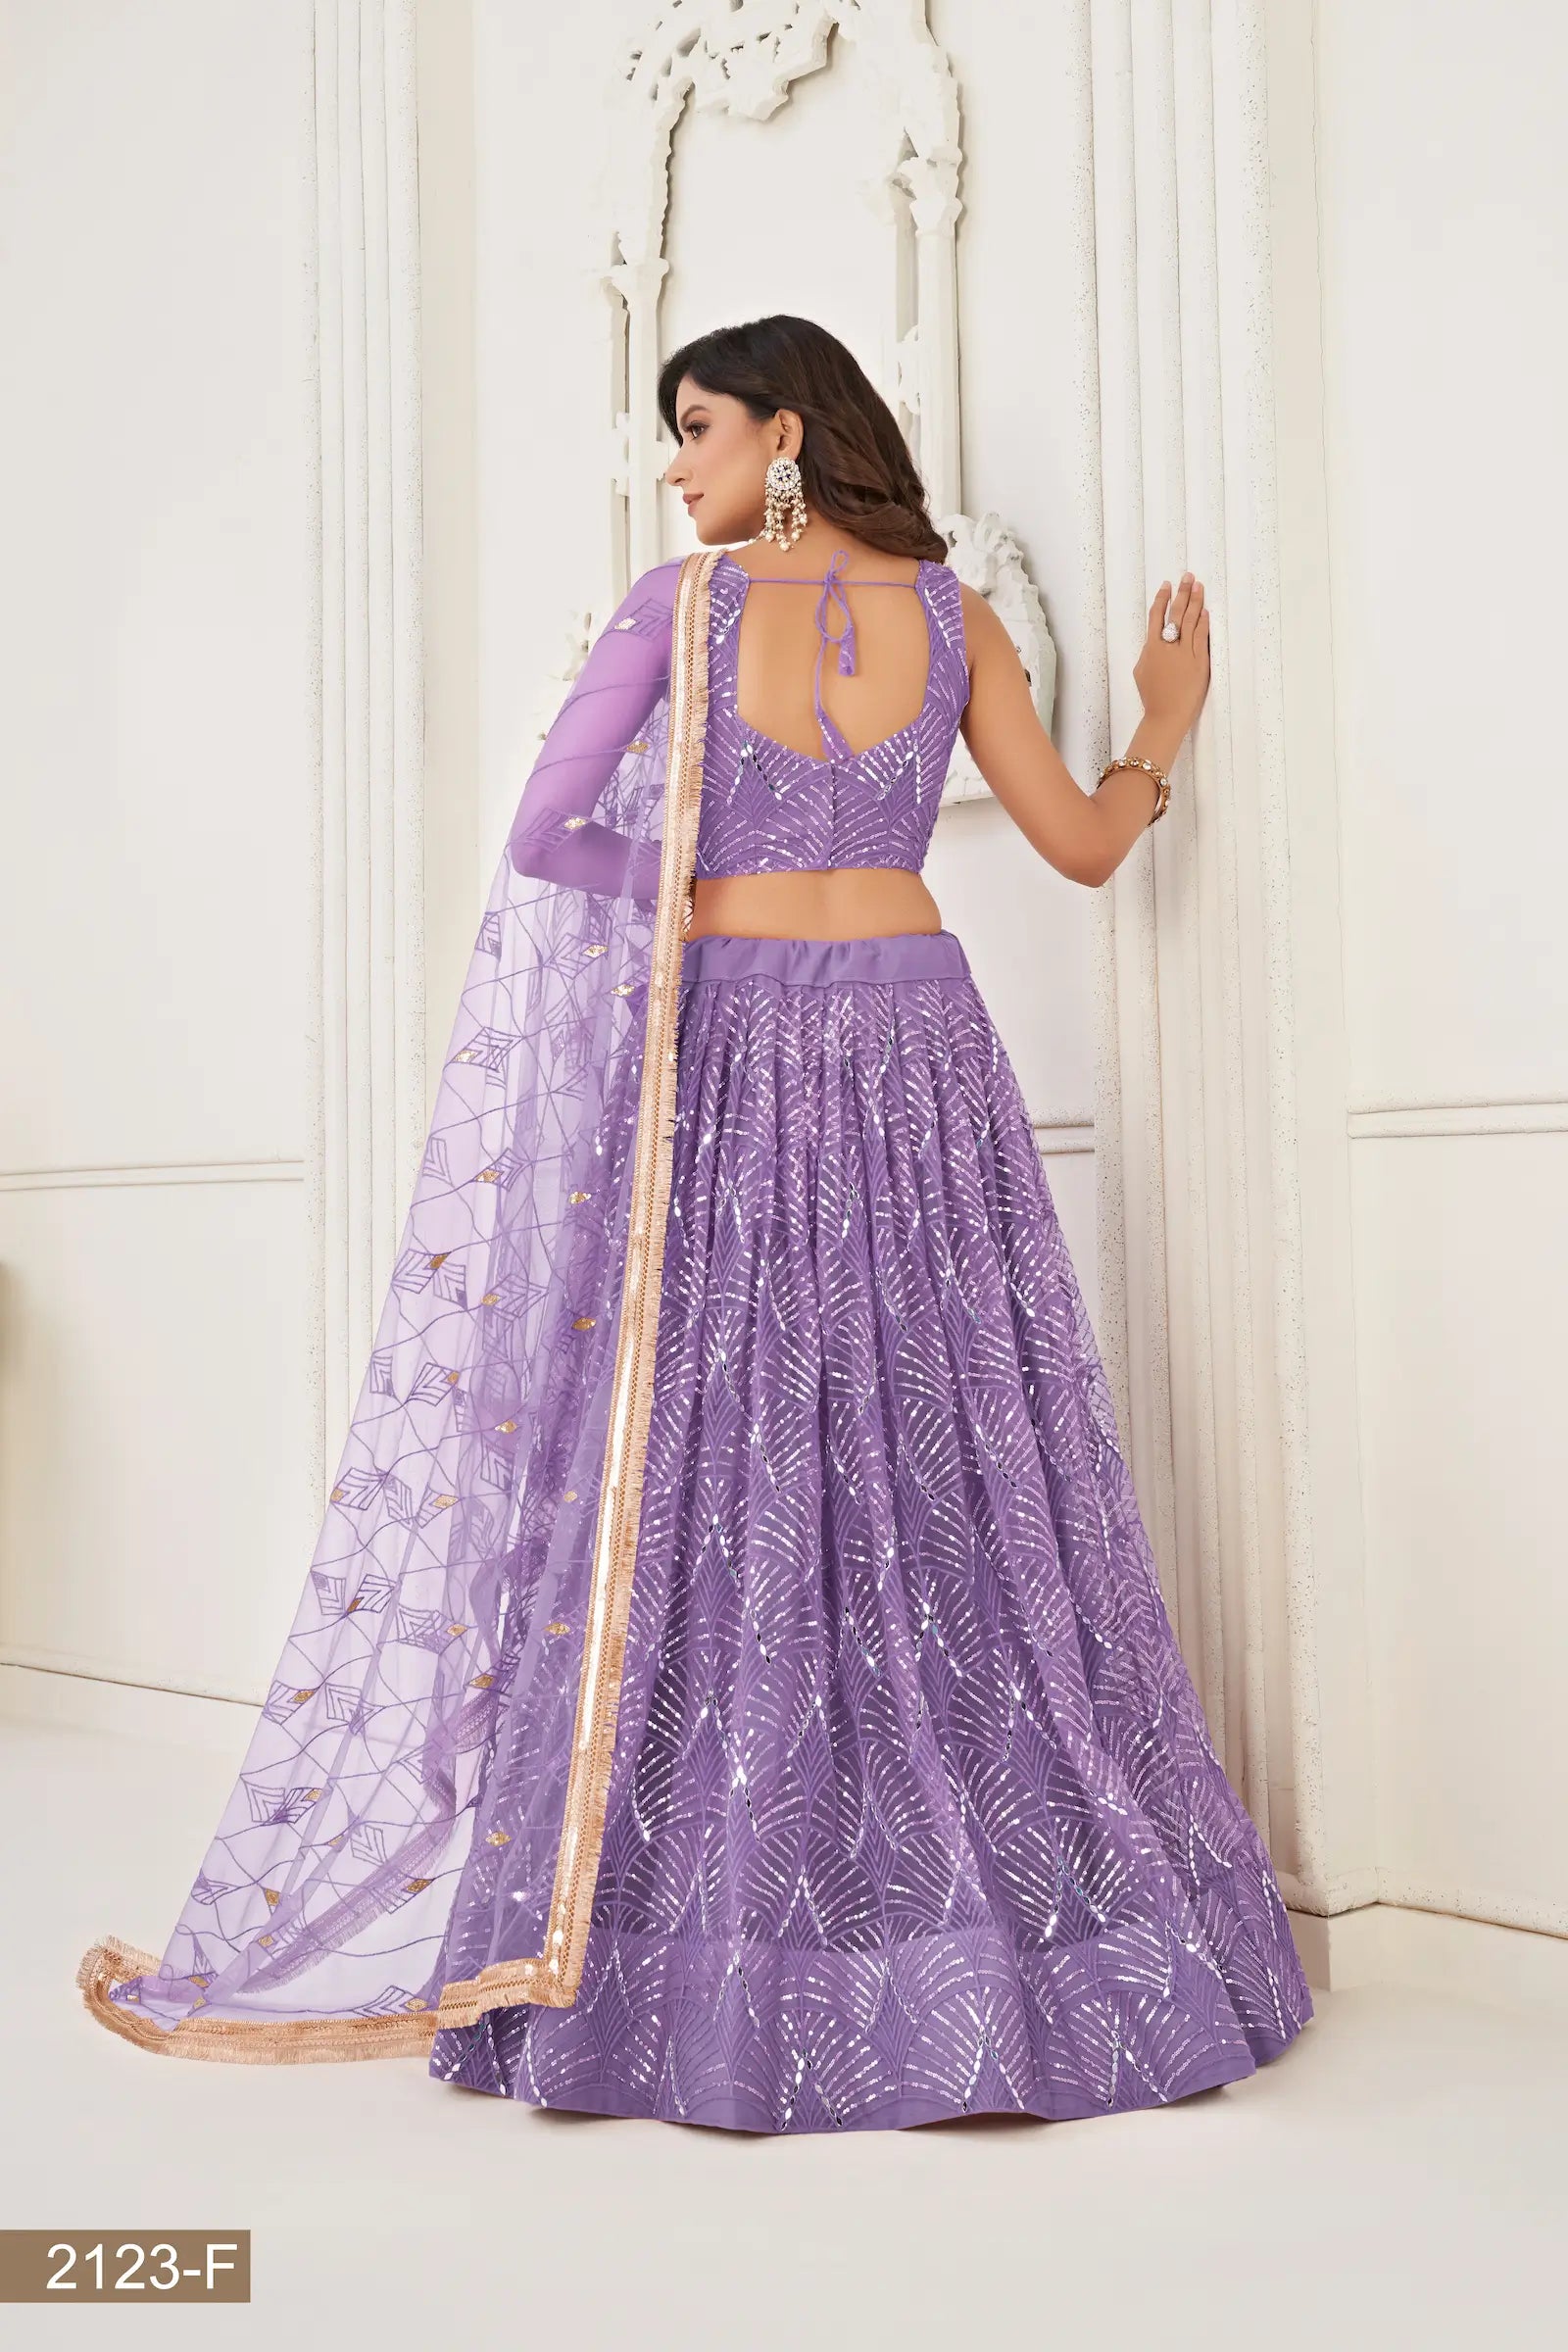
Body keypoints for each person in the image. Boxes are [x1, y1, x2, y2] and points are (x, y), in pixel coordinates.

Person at [76, 313, 1311, 2132]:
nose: (677, 463)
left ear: (785, 434)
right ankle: (990, 1924)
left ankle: (695, 1934)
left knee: (712, 1452)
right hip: (917, 1047)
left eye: (699, 425)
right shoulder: (955, 615)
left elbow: (544, 836)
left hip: (732, 1052)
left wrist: (703, 869)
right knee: (941, 1447)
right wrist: (1164, 726)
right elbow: (1082, 843)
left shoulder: (682, 609)